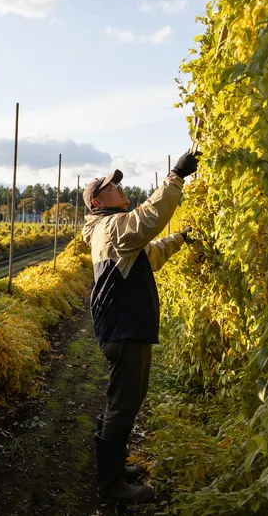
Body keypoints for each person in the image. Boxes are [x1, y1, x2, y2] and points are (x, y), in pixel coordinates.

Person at [81, 149, 200, 504]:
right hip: (124, 326)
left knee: (123, 398)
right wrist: (176, 176)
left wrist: (180, 239)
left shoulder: (110, 232)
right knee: (124, 401)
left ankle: (114, 468)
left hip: (120, 325)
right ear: (99, 200)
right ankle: (111, 487)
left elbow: (149, 255)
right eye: (112, 187)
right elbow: (148, 219)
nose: (119, 188)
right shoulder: (113, 227)